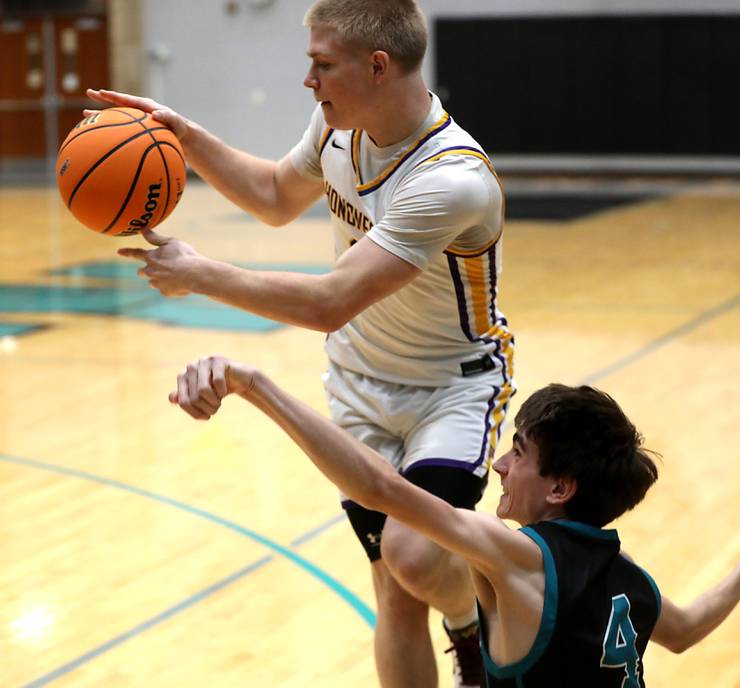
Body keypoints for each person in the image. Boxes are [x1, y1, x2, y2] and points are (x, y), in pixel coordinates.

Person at [87, 1, 512, 685]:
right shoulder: (340, 127)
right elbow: (276, 195)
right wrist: (187, 136)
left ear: (377, 66)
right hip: (359, 387)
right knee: (394, 590)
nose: (307, 81)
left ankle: (472, 616)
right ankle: (466, 625)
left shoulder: (450, 179)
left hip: (449, 391)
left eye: (321, 64)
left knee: (413, 553)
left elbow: (328, 302)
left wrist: (200, 274)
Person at [169, 355, 740, 686]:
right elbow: (683, 631)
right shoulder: (626, 574)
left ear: (560, 488)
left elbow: (380, 487)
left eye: (517, 452)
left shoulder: (518, 555)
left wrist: (256, 387)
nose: (498, 462)